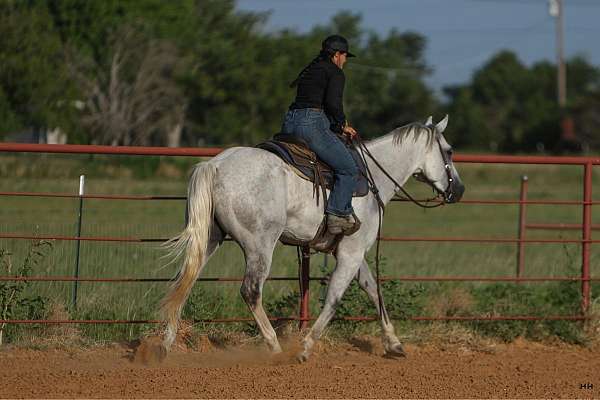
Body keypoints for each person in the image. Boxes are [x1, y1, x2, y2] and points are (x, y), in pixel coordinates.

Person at [281, 34, 360, 235]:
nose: (345, 61)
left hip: (290, 122)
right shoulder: (335, 72)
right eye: (344, 56)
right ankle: (337, 215)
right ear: (336, 55)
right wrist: (343, 125)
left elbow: (318, 101)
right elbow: (333, 104)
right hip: (311, 125)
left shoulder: (311, 70)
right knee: (349, 169)